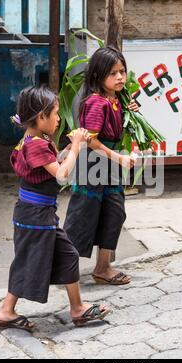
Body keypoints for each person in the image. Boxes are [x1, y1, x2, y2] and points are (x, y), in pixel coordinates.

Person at [0, 86, 111, 332]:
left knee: (65, 256)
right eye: (56, 113)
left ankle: (77, 308)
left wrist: (72, 146)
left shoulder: (34, 139)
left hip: (38, 214)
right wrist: (78, 147)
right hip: (34, 216)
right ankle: (7, 311)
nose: (59, 118)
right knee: (29, 261)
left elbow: (54, 163)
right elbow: (61, 174)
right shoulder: (35, 144)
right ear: (40, 117)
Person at [64, 46, 139, 286]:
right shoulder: (97, 103)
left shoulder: (117, 98)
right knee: (83, 215)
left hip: (109, 166)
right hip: (94, 164)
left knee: (114, 212)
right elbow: (90, 140)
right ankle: (64, 269)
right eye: (113, 73)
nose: (120, 77)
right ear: (98, 75)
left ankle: (103, 267)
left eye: (122, 71)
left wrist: (131, 112)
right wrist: (118, 157)